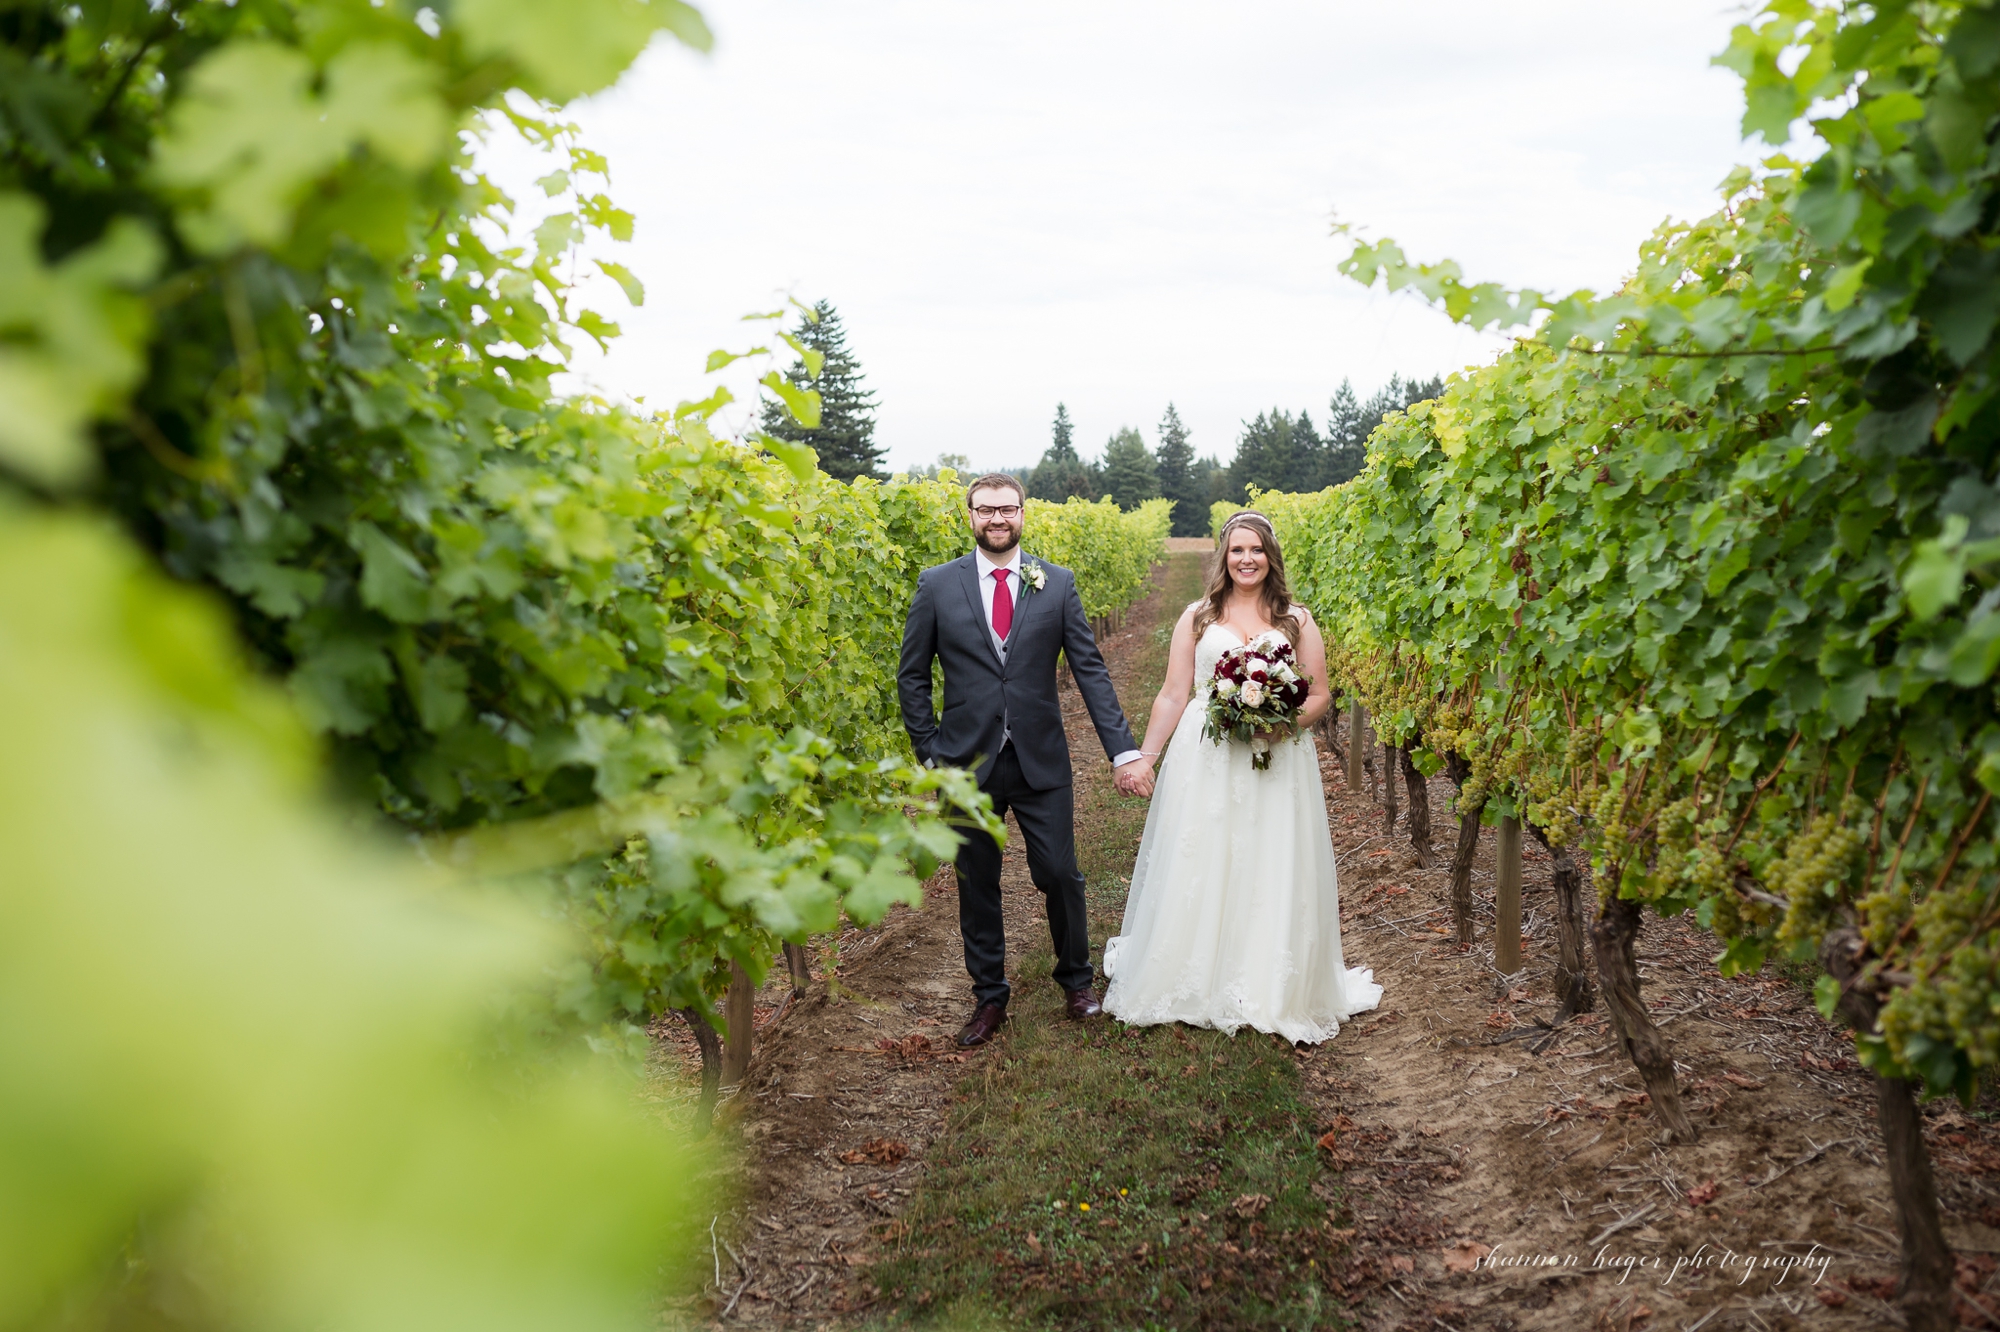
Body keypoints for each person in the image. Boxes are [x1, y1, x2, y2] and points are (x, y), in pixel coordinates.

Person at [1102, 510, 1382, 1042]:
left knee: (1270, 854)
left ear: (1270, 556)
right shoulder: (1198, 617)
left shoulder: (1295, 618)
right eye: (1237, 550)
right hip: (1205, 754)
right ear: (1224, 557)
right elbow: (1173, 693)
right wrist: (1147, 755)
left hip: (1276, 757)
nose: (1246, 559)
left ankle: (1263, 980)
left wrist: (1279, 725)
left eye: (1256, 550)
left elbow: (1319, 694)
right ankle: (1192, 971)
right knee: (1203, 850)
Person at [897, 473, 1154, 1048]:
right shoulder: (937, 585)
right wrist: (930, 752)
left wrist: (1124, 749)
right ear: (969, 516)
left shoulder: (1056, 584)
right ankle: (989, 998)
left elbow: (1090, 669)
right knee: (977, 881)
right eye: (986, 509)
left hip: (1040, 758)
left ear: (1021, 514)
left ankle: (1076, 982)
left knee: (1060, 873)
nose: (997, 518)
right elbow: (912, 677)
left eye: (1007, 509)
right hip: (965, 764)